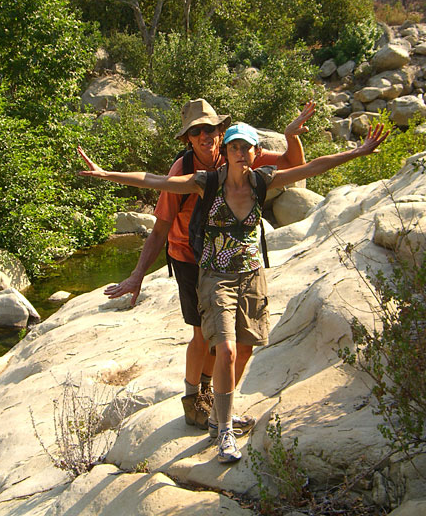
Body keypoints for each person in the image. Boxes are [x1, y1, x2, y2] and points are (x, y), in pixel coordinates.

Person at [78, 120, 389, 464]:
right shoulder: (206, 182)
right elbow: (154, 180)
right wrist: (107, 174)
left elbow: (312, 166)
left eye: (247, 147)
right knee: (223, 350)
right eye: (234, 147)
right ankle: (223, 429)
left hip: (252, 277)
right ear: (225, 152)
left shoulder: (262, 180)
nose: (240, 153)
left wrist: (357, 152)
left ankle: (218, 415)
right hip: (215, 277)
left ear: (256, 153)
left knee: (244, 350)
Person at [103, 98, 315, 435]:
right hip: (189, 256)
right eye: (196, 131)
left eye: (211, 129)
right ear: (188, 138)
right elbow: (160, 227)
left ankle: (211, 399)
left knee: (224, 339)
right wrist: (137, 276)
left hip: (227, 256)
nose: (205, 136)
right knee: (203, 334)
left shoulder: (235, 152)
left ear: (221, 132)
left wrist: (293, 134)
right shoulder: (182, 170)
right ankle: (193, 404)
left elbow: (293, 163)